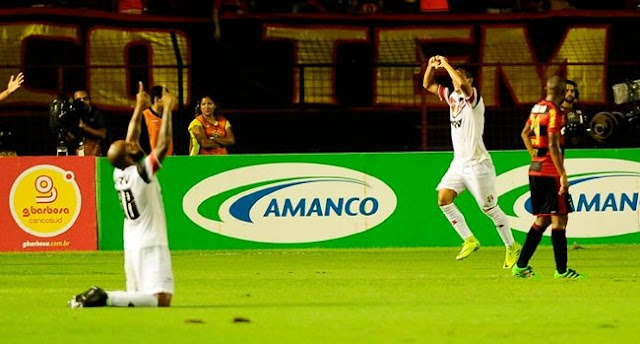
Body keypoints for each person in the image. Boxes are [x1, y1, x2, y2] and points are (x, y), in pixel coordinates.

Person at [69, 82, 176, 307]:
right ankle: (104, 296)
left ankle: (104, 299)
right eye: (127, 147)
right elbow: (163, 145)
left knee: (138, 299)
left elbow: (132, 137)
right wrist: (166, 110)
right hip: (151, 242)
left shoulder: (120, 172)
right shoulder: (141, 173)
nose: (131, 144)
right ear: (127, 157)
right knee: (161, 300)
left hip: (132, 243)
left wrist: (138, 107)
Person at [422, 55, 521, 268]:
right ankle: (469, 239)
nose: (454, 80)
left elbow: (461, 84)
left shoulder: (473, 98)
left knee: (490, 209)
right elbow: (428, 84)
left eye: (459, 77)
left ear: (470, 80)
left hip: (478, 164)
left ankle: (512, 246)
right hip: (458, 163)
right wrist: (431, 66)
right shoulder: (452, 98)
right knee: (443, 199)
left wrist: (446, 64)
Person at [513, 75, 581, 279]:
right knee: (560, 219)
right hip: (550, 172)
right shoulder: (555, 112)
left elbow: (524, 133)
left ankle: (521, 265)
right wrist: (562, 174)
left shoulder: (537, 108)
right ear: (562, 93)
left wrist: (534, 155)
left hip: (536, 169)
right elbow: (553, 144)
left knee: (543, 219)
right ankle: (561, 270)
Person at [71, 90, 108, 156]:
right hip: (76, 152)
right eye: (79, 100)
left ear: (89, 100)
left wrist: (85, 128)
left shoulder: (97, 114)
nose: (82, 102)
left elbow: (103, 134)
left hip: (94, 152)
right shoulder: (72, 114)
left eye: (85, 99)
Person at [142, 85, 174, 156]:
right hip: (153, 158)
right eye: (165, 98)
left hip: (169, 157)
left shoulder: (167, 115)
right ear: (157, 99)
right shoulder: (144, 116)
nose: (168, 100)